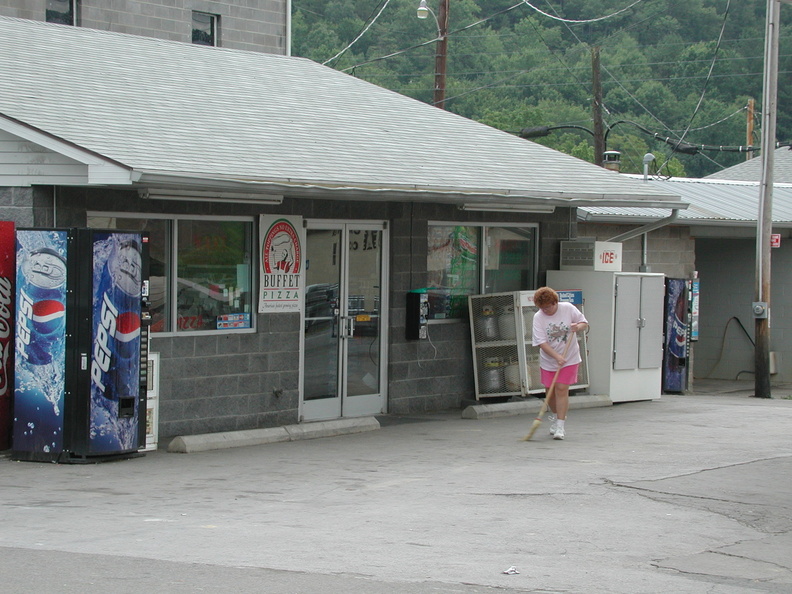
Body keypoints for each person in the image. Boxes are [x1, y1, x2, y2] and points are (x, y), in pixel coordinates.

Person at [531, 287, 589, 440]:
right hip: (549, 359)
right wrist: (556, 356)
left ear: (555, 302)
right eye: (542, 308)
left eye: (548, 306)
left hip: (569, 357)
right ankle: (556, 416)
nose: (546, 310)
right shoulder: (538, 317)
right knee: (550, 392)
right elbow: (541, 342)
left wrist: (578, 327)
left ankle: (560, 426)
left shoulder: (568, 308)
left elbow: (584, 323)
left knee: (561, 388)